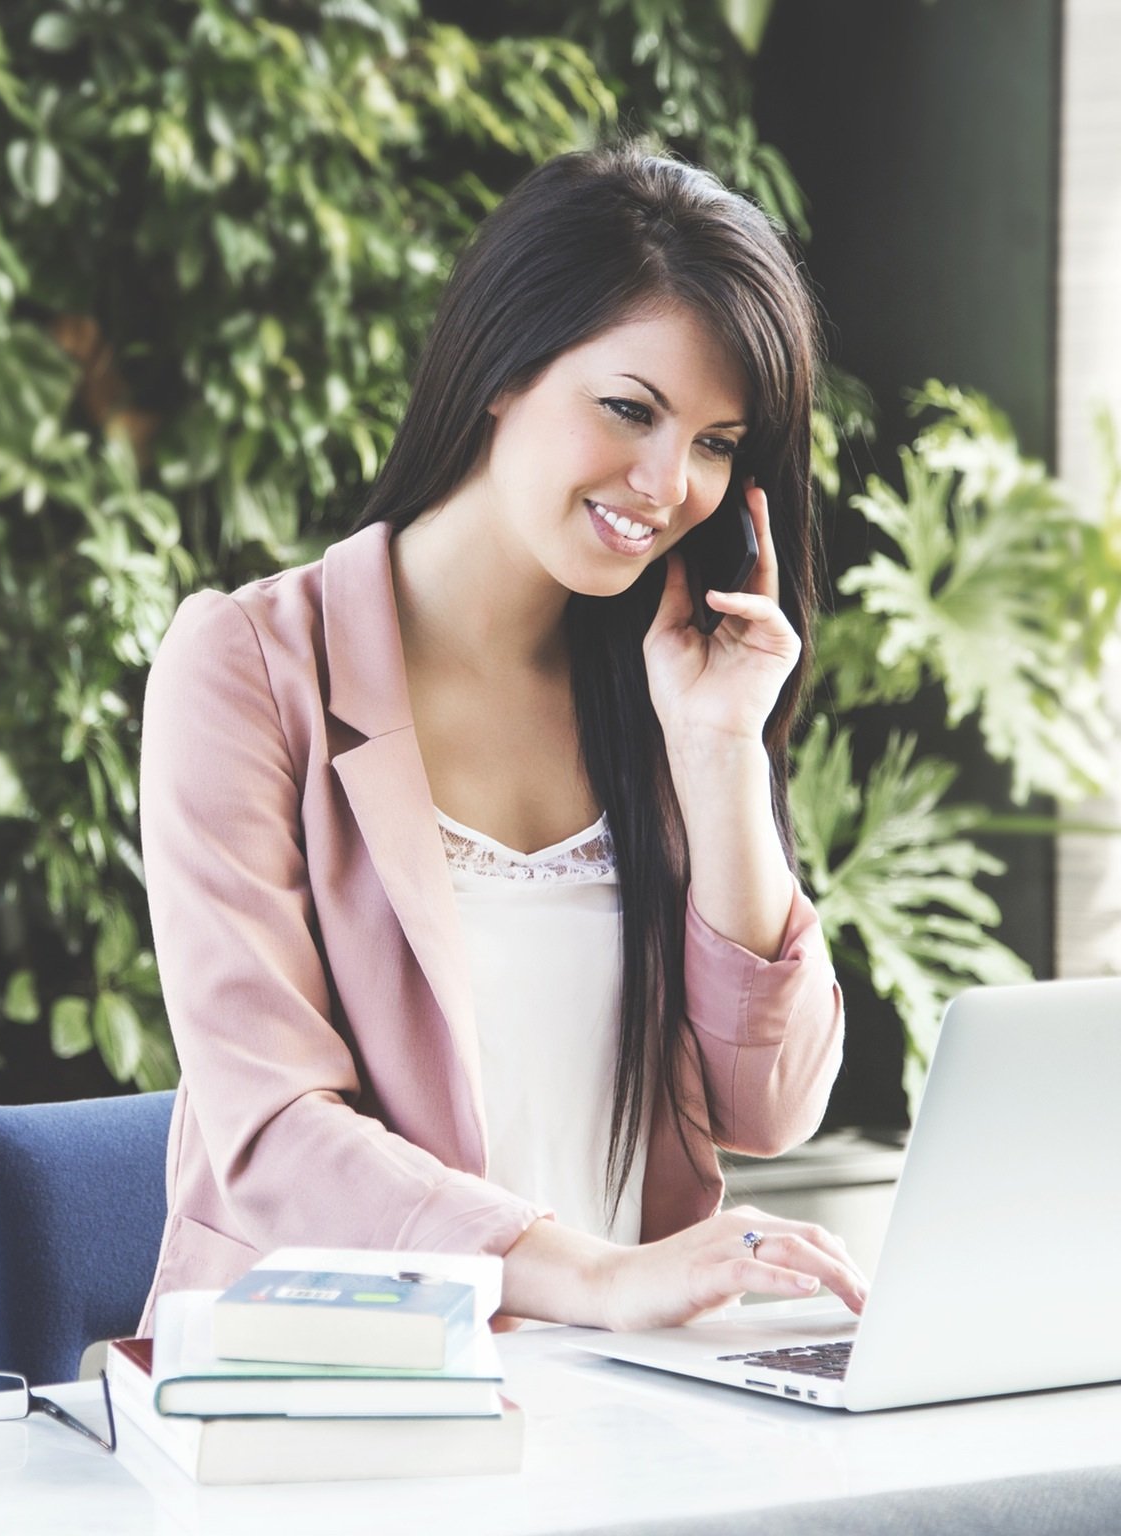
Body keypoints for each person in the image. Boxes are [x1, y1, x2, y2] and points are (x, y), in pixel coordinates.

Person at [136, 141, 869, 1336]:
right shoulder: (251, 666)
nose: (665, 481)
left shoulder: (665, 687)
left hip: (627, 1407)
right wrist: (587, 1275)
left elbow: (771, 1106)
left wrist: (721, 755)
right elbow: (268, 1130)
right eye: (629, 409)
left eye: (717, 442)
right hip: (336, 1395)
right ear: (498, 370)